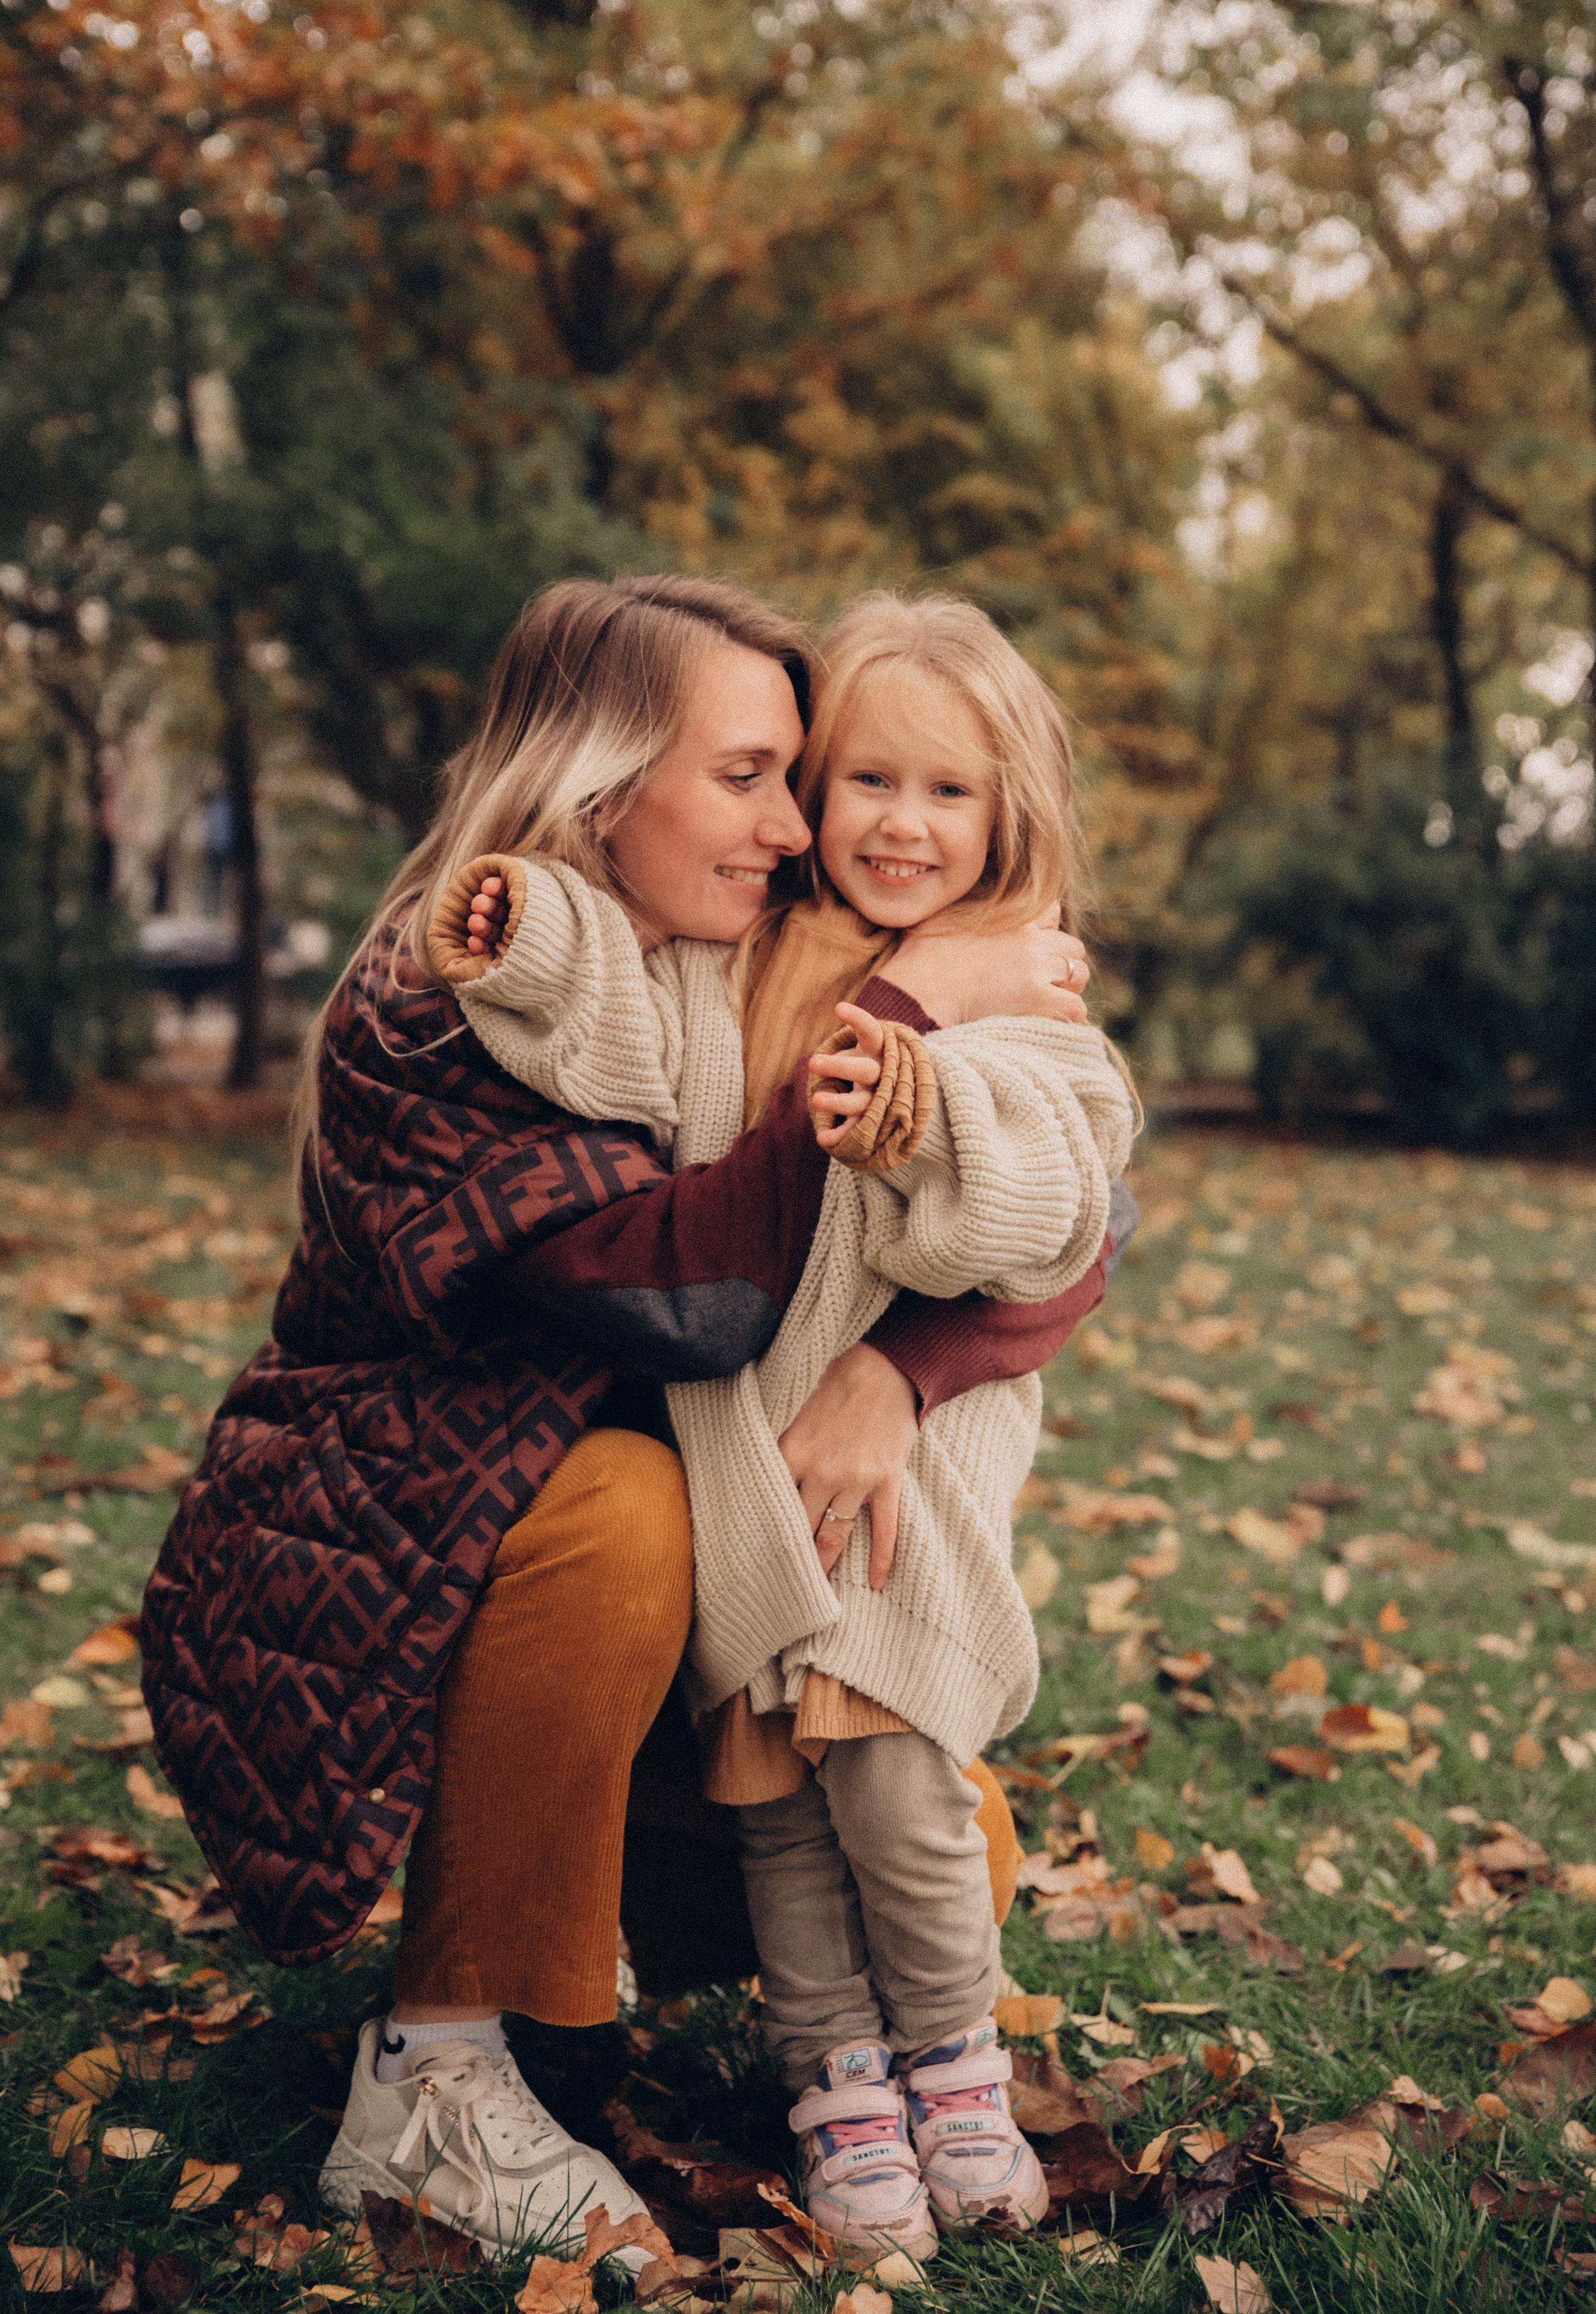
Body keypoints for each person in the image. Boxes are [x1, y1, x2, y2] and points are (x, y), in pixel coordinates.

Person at [139, 576, 1111, 2274]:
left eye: (800, 775)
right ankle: (438, 2065)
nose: (802, 822)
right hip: (397, 1562)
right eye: (756, 775)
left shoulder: (736, 955)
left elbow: (1078, 1222)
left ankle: (763, 2010)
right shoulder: (469, 993)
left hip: (696, 1574)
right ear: (604, 786)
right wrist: (911, 996)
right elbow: (704, 1286)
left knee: (916, 1806)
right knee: (635, 1528)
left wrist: (905, 1370)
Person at [427, 592, 1137, 2263]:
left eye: (945, 792)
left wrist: (915, 1100)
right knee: (775, 1810)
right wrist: (523, 926)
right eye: (861, 779)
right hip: (741, 1457)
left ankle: (955, 2066)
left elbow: (1048, 1192)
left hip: (912, 1472)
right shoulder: (742, 949)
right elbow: (611, 1004)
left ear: (1006, 811)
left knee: (895, 1790)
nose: (896, 823)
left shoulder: (1021, 984)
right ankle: (833, 2087)